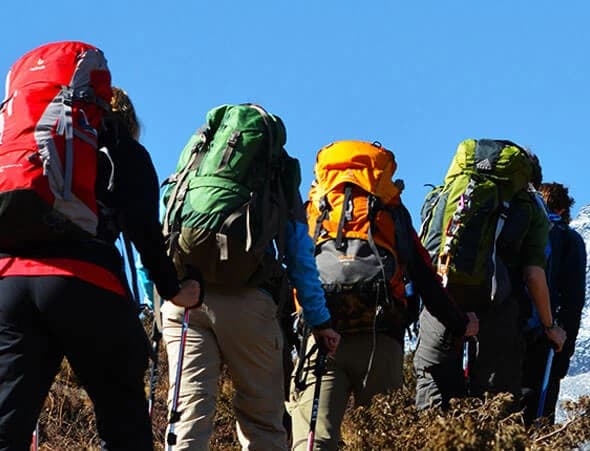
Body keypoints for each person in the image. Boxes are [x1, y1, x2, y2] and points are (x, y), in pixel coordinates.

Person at [0, 74, 202, 450]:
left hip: (10, 282)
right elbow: (146, 235)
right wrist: (173, 289)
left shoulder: (27, 144)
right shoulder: (123, 147)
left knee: (7, 426)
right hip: (86, 281)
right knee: (123, 422)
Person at [159, 104, 340, 451]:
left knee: (187, 415)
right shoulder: (278, 173)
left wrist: (162, 298)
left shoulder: (195, 160)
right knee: (262, 421)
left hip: (183, 301)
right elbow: (299, 255)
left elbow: (160, 230)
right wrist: (320, 320)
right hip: (248, 302)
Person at [287, 173, 480, 451]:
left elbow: (292, 270)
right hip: (381, 341)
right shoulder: (391, 214)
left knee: (313, 439)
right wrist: (460, 323)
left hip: (321, 336)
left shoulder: (315, 211)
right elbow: (426, 279)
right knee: (382, 437)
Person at [414, 142, 566, 412]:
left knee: (434, 396)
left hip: (441, 301)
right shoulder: (528, 207)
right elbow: (534, 274)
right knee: (495, 405)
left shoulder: (445, 195)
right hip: (497, 310)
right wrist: (550, 325)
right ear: (528, 179)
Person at [521, 181, 587, 423]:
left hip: (508, 331)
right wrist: (564, 352)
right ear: (562, 209)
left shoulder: (520, 227)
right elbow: (573, 301)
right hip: (546, 338)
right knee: (537, 415)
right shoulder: (567, 239)